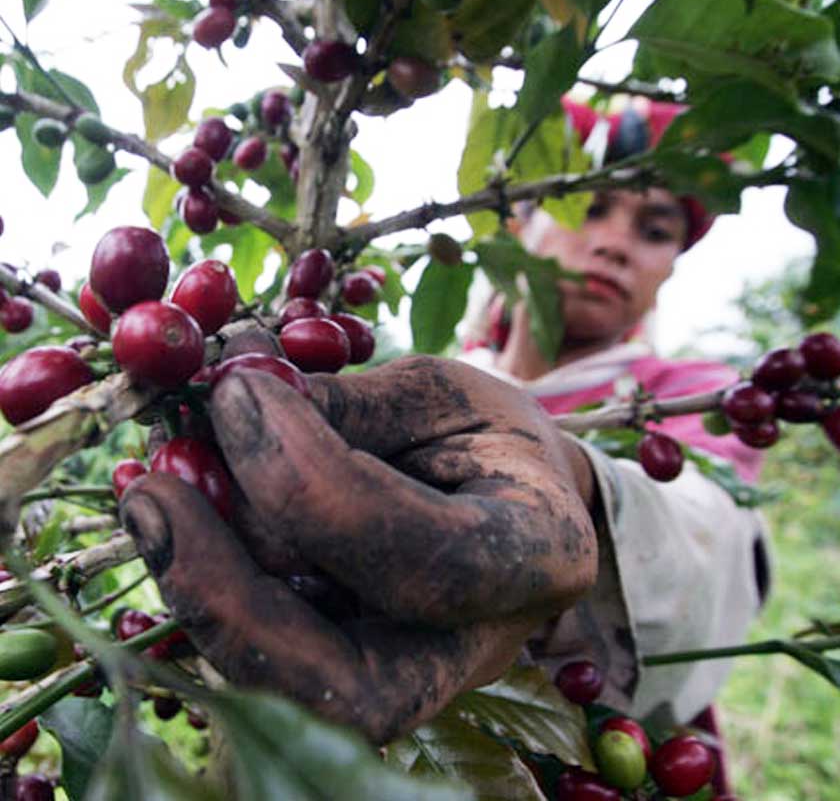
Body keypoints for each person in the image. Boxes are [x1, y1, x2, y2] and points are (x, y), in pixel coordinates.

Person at [120, 98, 769, 792]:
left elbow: (712, 530)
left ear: (673, 263)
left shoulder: (695, 388)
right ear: (522, 216)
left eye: (655, 229)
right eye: (591, 205)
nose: (614, 242)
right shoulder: (432, 381)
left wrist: (582, 487)